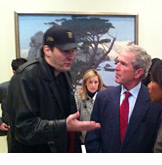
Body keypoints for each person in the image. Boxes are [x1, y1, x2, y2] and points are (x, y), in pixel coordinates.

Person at [6, 25, 100, 153]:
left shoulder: (64, 74)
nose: (71, 56)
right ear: (47, 50)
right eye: (65, 51)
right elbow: (24, 129)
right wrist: (64, 126)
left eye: (73, 50)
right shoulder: (25, 77)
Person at [85, 45, 162, 153]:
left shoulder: (155, 102)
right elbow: (92, 140)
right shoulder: (103, 98)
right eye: (117, 62)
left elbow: (157, 146)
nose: (116, 67)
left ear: (138, 72)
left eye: (123, 64)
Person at [0, 58, 27, 151]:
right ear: (14, 72)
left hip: (31, 131)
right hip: (12, 132)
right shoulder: (4, 88)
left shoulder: (33, 88)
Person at [74, 69, 103, 143]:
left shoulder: (104, 96)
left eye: (95, 82)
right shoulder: (78, 96)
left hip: (100, 139)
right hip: (82, 139)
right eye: (90, 82)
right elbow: (75, 119)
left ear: (99, 83)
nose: (93, 85)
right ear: (85, 83)